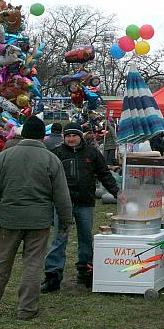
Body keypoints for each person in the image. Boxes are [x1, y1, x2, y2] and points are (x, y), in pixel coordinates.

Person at [0, 116, 72, 320]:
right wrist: (65, 222)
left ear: (23, 134)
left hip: (10, 218)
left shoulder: (5, 156)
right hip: (39, 221)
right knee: (33, 264)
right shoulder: (51, 159)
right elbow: (62, 197)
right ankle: (27, 309)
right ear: (43, 136)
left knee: (1, 262)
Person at [40, 122, 123, 293]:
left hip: (85, 202)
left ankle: (86, 270)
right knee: (59, 238)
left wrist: (116, 192)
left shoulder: (92, 152)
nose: (71, 139)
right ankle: (53, 275)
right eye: (68, 136)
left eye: (74, 135)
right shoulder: (57, 153)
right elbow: (47, 178)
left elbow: (104, 174)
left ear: (80, 136)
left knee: (85, 238)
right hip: (63, 204)